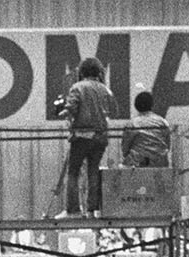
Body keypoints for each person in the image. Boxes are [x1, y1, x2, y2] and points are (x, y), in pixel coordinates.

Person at [60, 57, 114, 217]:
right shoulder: (105, 89)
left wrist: (62, 111)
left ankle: (73, 209)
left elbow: (71, 108)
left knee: (73, 172)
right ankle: (93, 209)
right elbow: (114, 110)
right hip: (101, 137)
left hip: (82, 136)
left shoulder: (77, 87)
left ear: (82, 71)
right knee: (93, 171)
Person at [122, 90, 171, 168]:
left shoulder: (132, 124)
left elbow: (125, 149)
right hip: (160, 163)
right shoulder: (162, 122)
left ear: (136, 106)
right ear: (152, 105)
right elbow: (167, 145)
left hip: (137, 164)